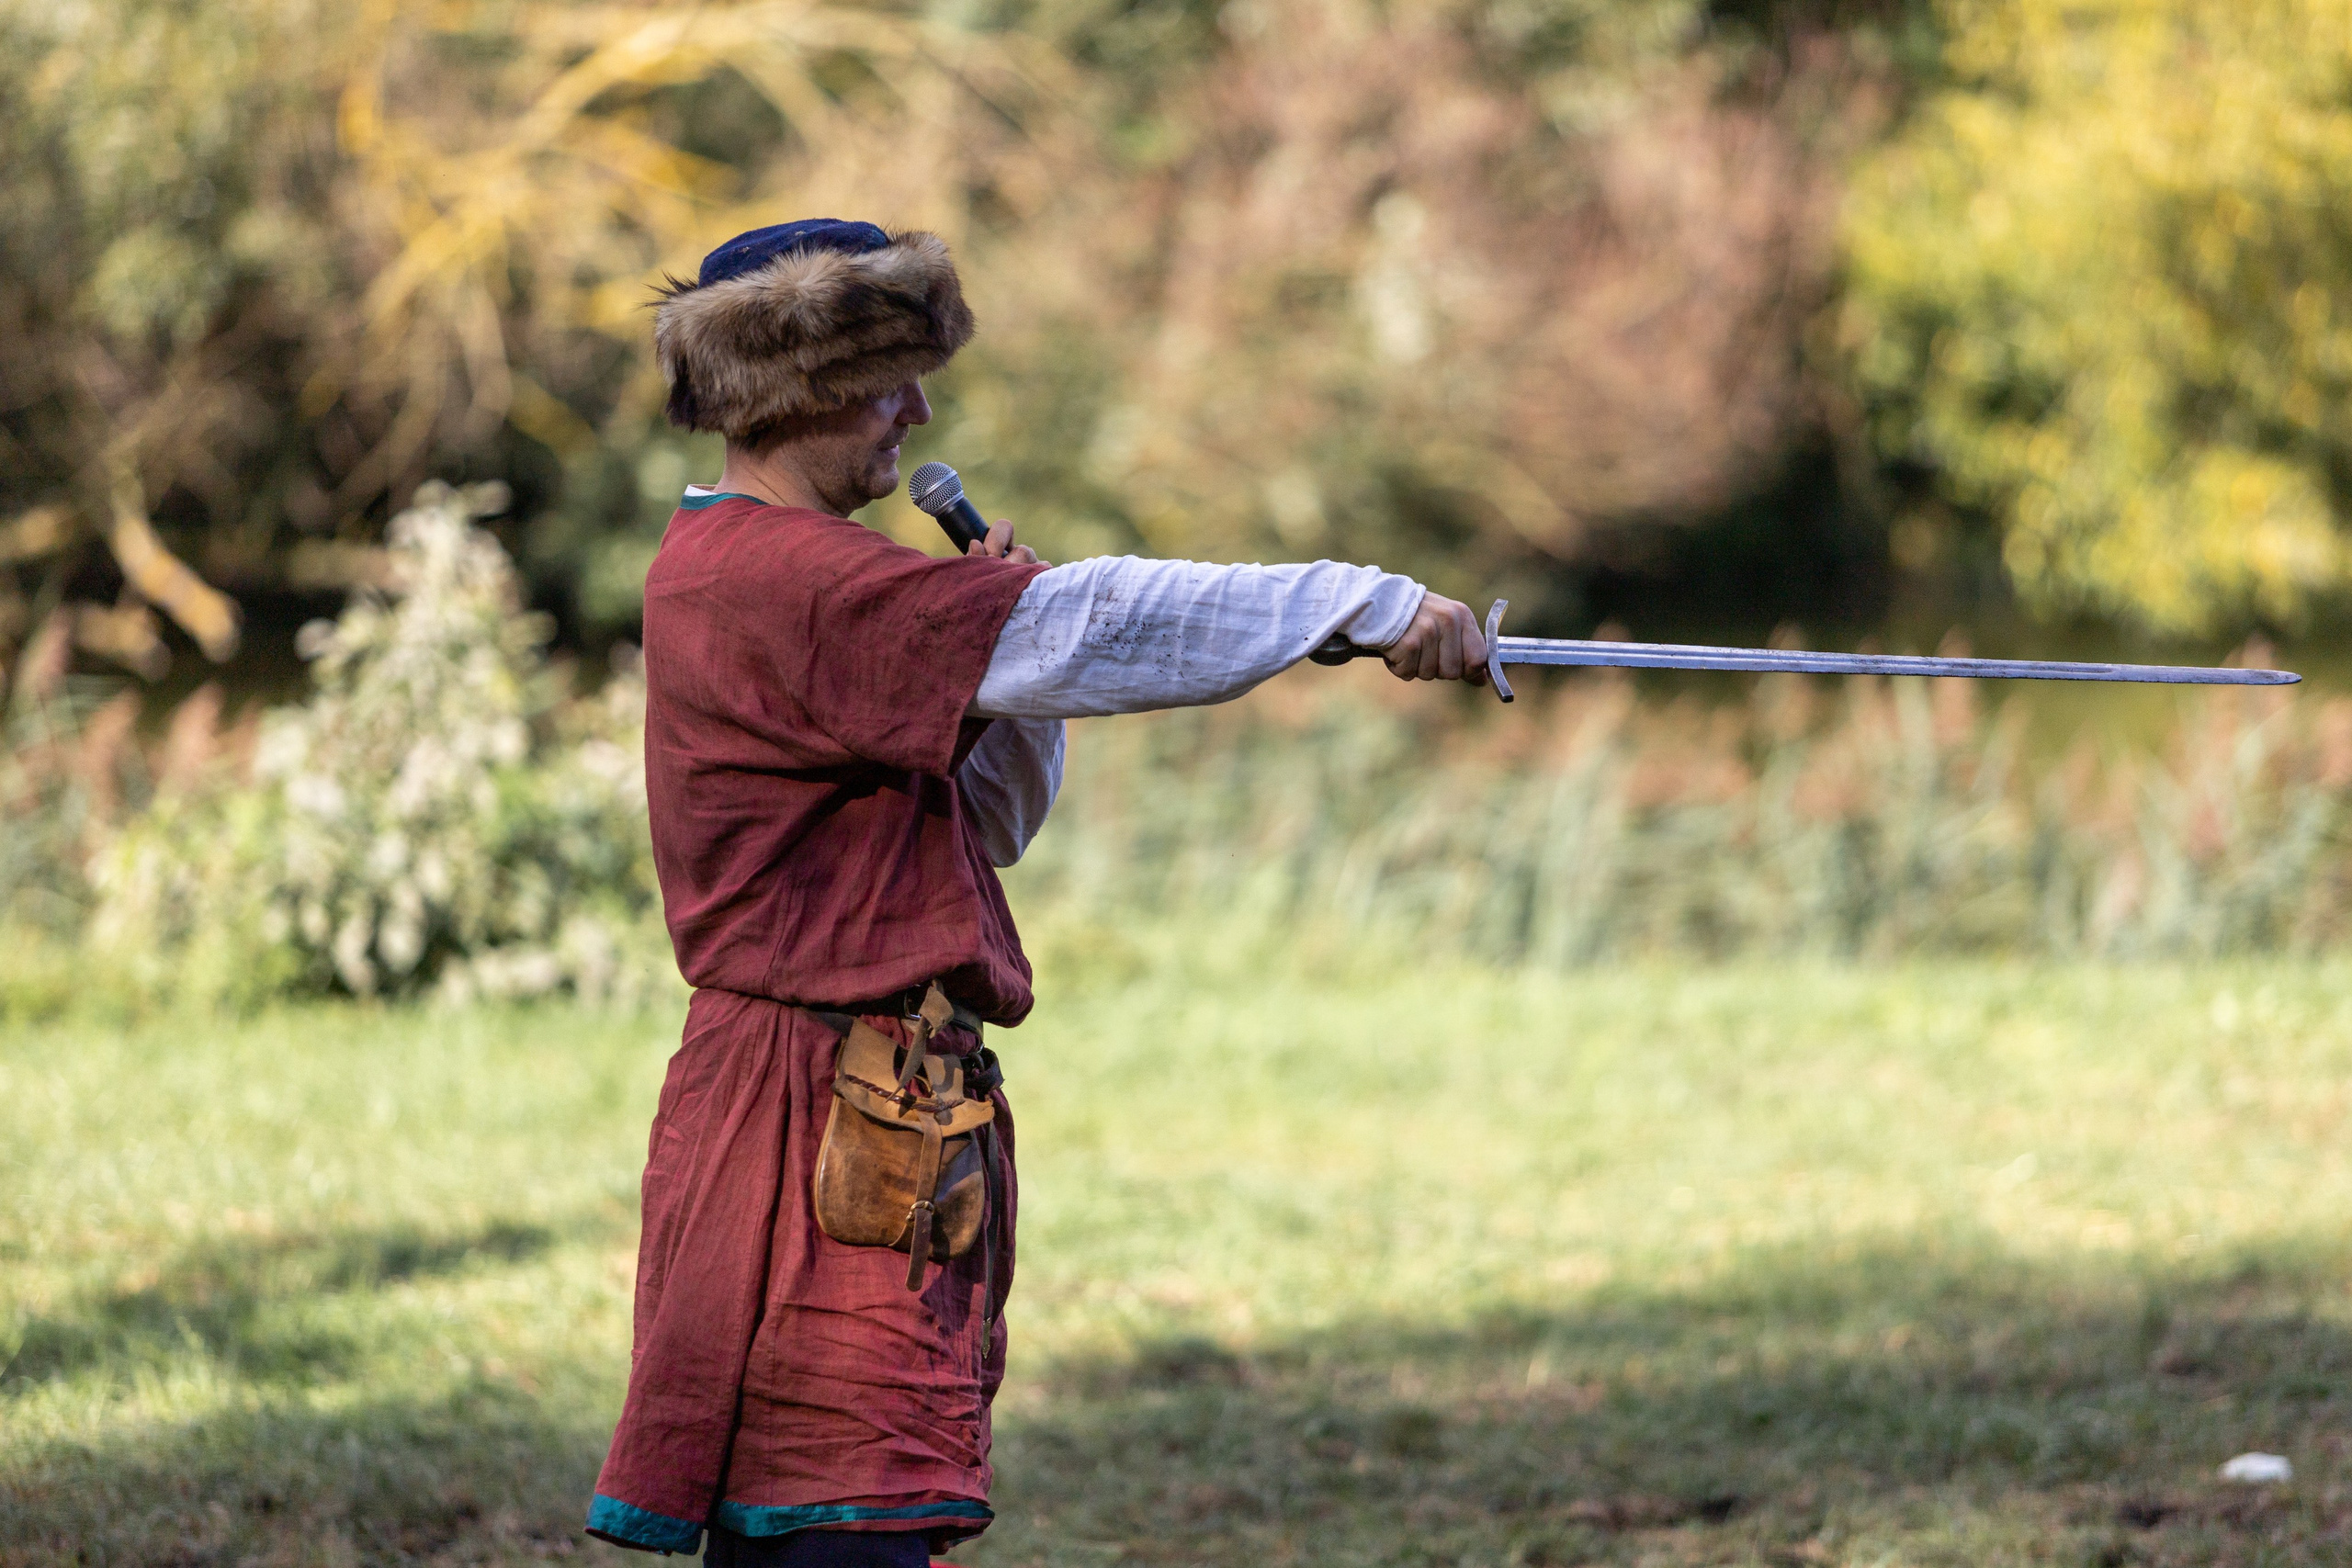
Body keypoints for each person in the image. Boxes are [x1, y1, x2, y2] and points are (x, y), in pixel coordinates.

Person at [586, 219, 1487, 1563]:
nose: (918, 411)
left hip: (873, 1102)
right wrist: (1356, 603)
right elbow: (1100, 623)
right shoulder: (781, 577)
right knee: (834, 1532)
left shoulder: (802, 579)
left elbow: (988, 825)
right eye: (888, 378)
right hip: (803, 1112)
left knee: (851, 1526)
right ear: (794, 389)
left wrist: (1000, 659)